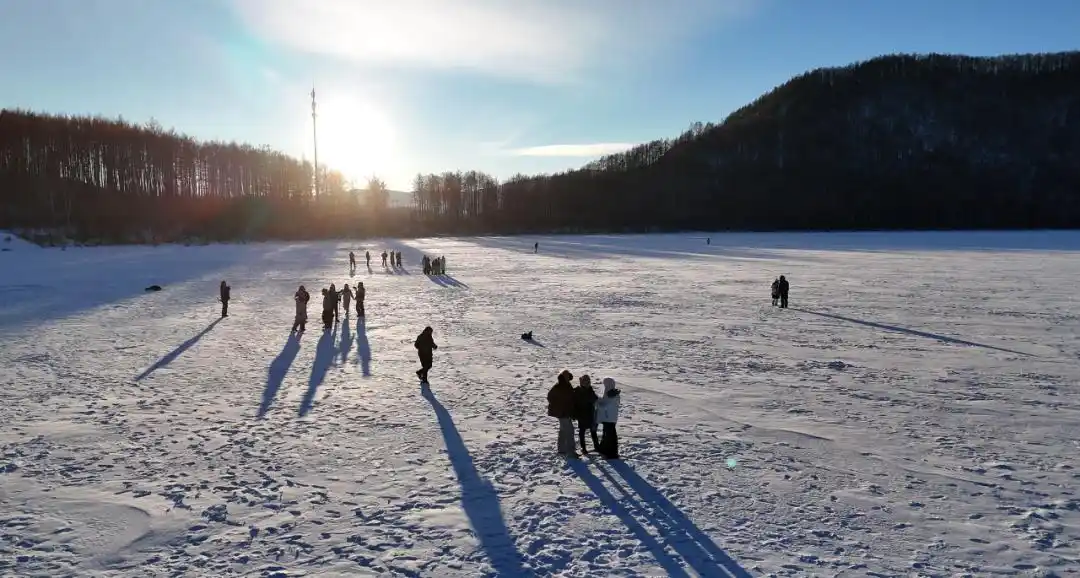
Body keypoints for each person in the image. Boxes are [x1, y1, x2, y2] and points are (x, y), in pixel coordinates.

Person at [547, 370, 577, 457]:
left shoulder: (567, 385)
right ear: (563, 377)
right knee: (569, 431)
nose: (567, 377)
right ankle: (571, 451)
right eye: (566, 376)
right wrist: (558, 406)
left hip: (566, 412)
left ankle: (561, 449)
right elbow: (550, 397)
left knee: (563, 431)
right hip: (562, 412)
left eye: (568, 376)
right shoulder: (558, 386)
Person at [573, 374, 600, 455]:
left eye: (589, 381)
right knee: (582, 432)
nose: (588, 383)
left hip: (590, 413)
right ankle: (583, 448)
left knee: (593, 431)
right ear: (582, 382)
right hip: (582, 414)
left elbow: (595, 398)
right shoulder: (578, 390)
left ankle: (596, 446)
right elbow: (578, 402)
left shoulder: (590, 390)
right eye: (586, 381)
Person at [596, 377, 621, 459]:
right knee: (607, 434)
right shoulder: (610, 393)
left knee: (610, 435)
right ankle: (604, 449)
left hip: (609, 418)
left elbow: (607, 406)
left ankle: (611, 452)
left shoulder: (612, 395)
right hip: (609, 418)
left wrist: (598, 403)